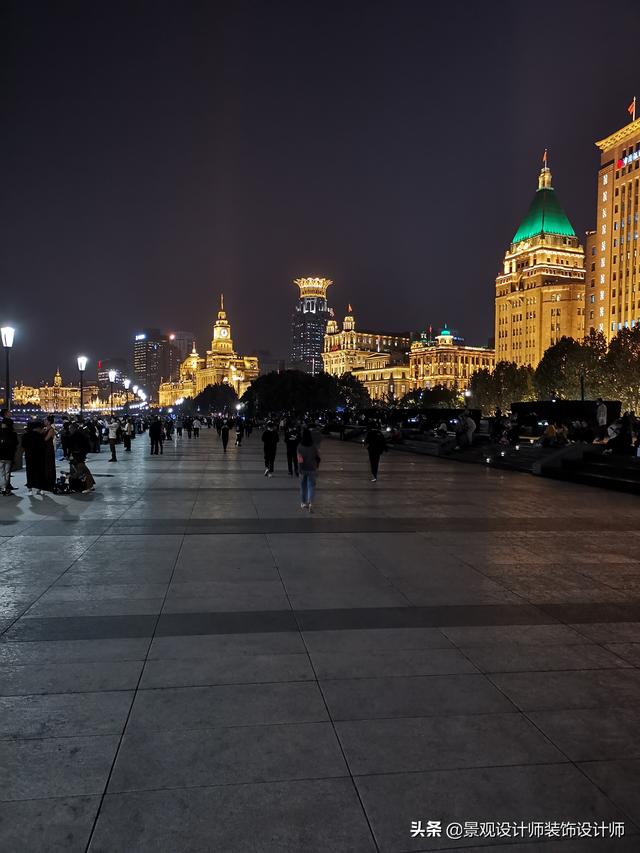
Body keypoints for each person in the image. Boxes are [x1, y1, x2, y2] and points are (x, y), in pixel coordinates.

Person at [68, 421, 96, 493]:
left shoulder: (75, 436)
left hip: (78, 455)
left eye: (70, 428)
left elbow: (75, 446)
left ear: (73, 428)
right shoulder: (80, 434)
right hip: (80, 454)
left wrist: (72, 454)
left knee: (82, 470)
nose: (69, 430)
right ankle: (90, 485)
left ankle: (89, 486)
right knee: (84, 469)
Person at [297, 427, 320, 511]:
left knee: (303, 486)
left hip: (303, 469)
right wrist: (316, 466)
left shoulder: (300, 446)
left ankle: (303, 503)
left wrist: (299, 469)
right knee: (311, 486)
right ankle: (311, 502)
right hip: (312, 469)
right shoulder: (313, 446)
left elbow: (300, 459)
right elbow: (317, 457)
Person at [21, 420, 47, 494]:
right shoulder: (40, 436)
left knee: (29, 472)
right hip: (39, 456)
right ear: (36, 428)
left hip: (29, 456)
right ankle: (40, 488)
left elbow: (23, 446)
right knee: (40, 472)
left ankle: (30, 488)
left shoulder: (25, 436)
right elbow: (44, 446)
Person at [0, 417, 18, 496]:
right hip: (9, 455)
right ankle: (5, 488)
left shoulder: (0, 432)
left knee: (1, 472)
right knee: (7, 473)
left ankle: (2, 488)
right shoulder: (13, 433)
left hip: (0, 455)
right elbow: (16, 444)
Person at [43, 415, 57, 490]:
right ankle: (46, 481)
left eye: (45, 420)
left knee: (49, 464)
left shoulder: (51, 430)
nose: (44, 421)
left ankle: (50, 482)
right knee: (46, 464)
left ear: (49, 422)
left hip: (49, 448)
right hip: (45, 448)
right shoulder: (45, 429)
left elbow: (46, 439)